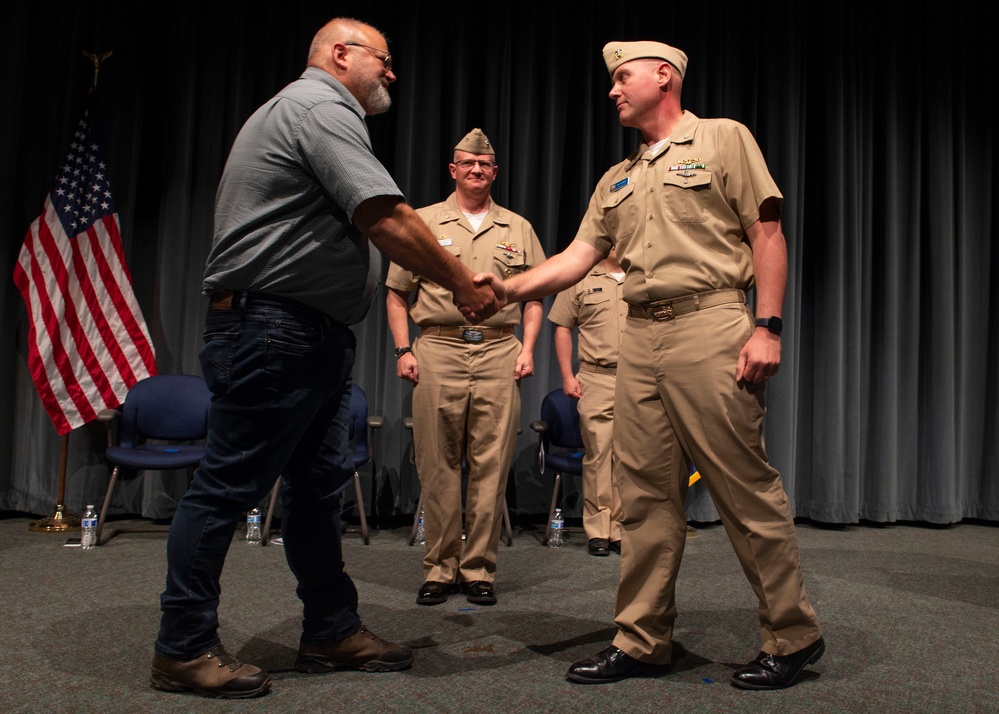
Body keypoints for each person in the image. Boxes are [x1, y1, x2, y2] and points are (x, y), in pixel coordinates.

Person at [150, 18, 500, 699]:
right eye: (383, 60)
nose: (391, 73)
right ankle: (182, 646)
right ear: (340, 55)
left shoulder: (309, 109)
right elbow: (385, 216)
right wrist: (460, 281)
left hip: (304, 333)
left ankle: (330, 629)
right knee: (224, 490)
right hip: (274, 329)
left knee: (317, 490)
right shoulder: (318, 106)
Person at [479, 41, 824, 690]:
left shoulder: (722, 139)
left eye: (620, 77)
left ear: (662, 76)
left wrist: (767, 325)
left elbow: (766, 234)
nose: (611, 90)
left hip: (710, 326)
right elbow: (576, 258)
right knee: (640, 498)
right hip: (637, 340)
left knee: (741, 489)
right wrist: (507, 288)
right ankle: (641, 639)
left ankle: (792, 634)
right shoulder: (616, 179)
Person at [385, 128, 546, 608]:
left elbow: (536, 297)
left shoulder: (518, 228)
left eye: (485, 166)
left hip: (498, 350)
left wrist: (528, 348)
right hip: (438, 349)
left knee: (490, 468)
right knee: (436, 465)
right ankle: (439, 567)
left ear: (494, 172)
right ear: (453, 170)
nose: (476, 171)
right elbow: (396, 292)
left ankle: (478, 569)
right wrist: (402, 350)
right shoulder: (423, 222)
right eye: (467, 164)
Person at [547, 247, 625, 557]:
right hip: (597, 377)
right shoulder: (580, 278)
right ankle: (598, 530)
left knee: (629, 458)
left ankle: (620, 528)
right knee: (598, 454)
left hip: (639, 378)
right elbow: (563, 326)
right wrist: (567, 375)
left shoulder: (644, 276)